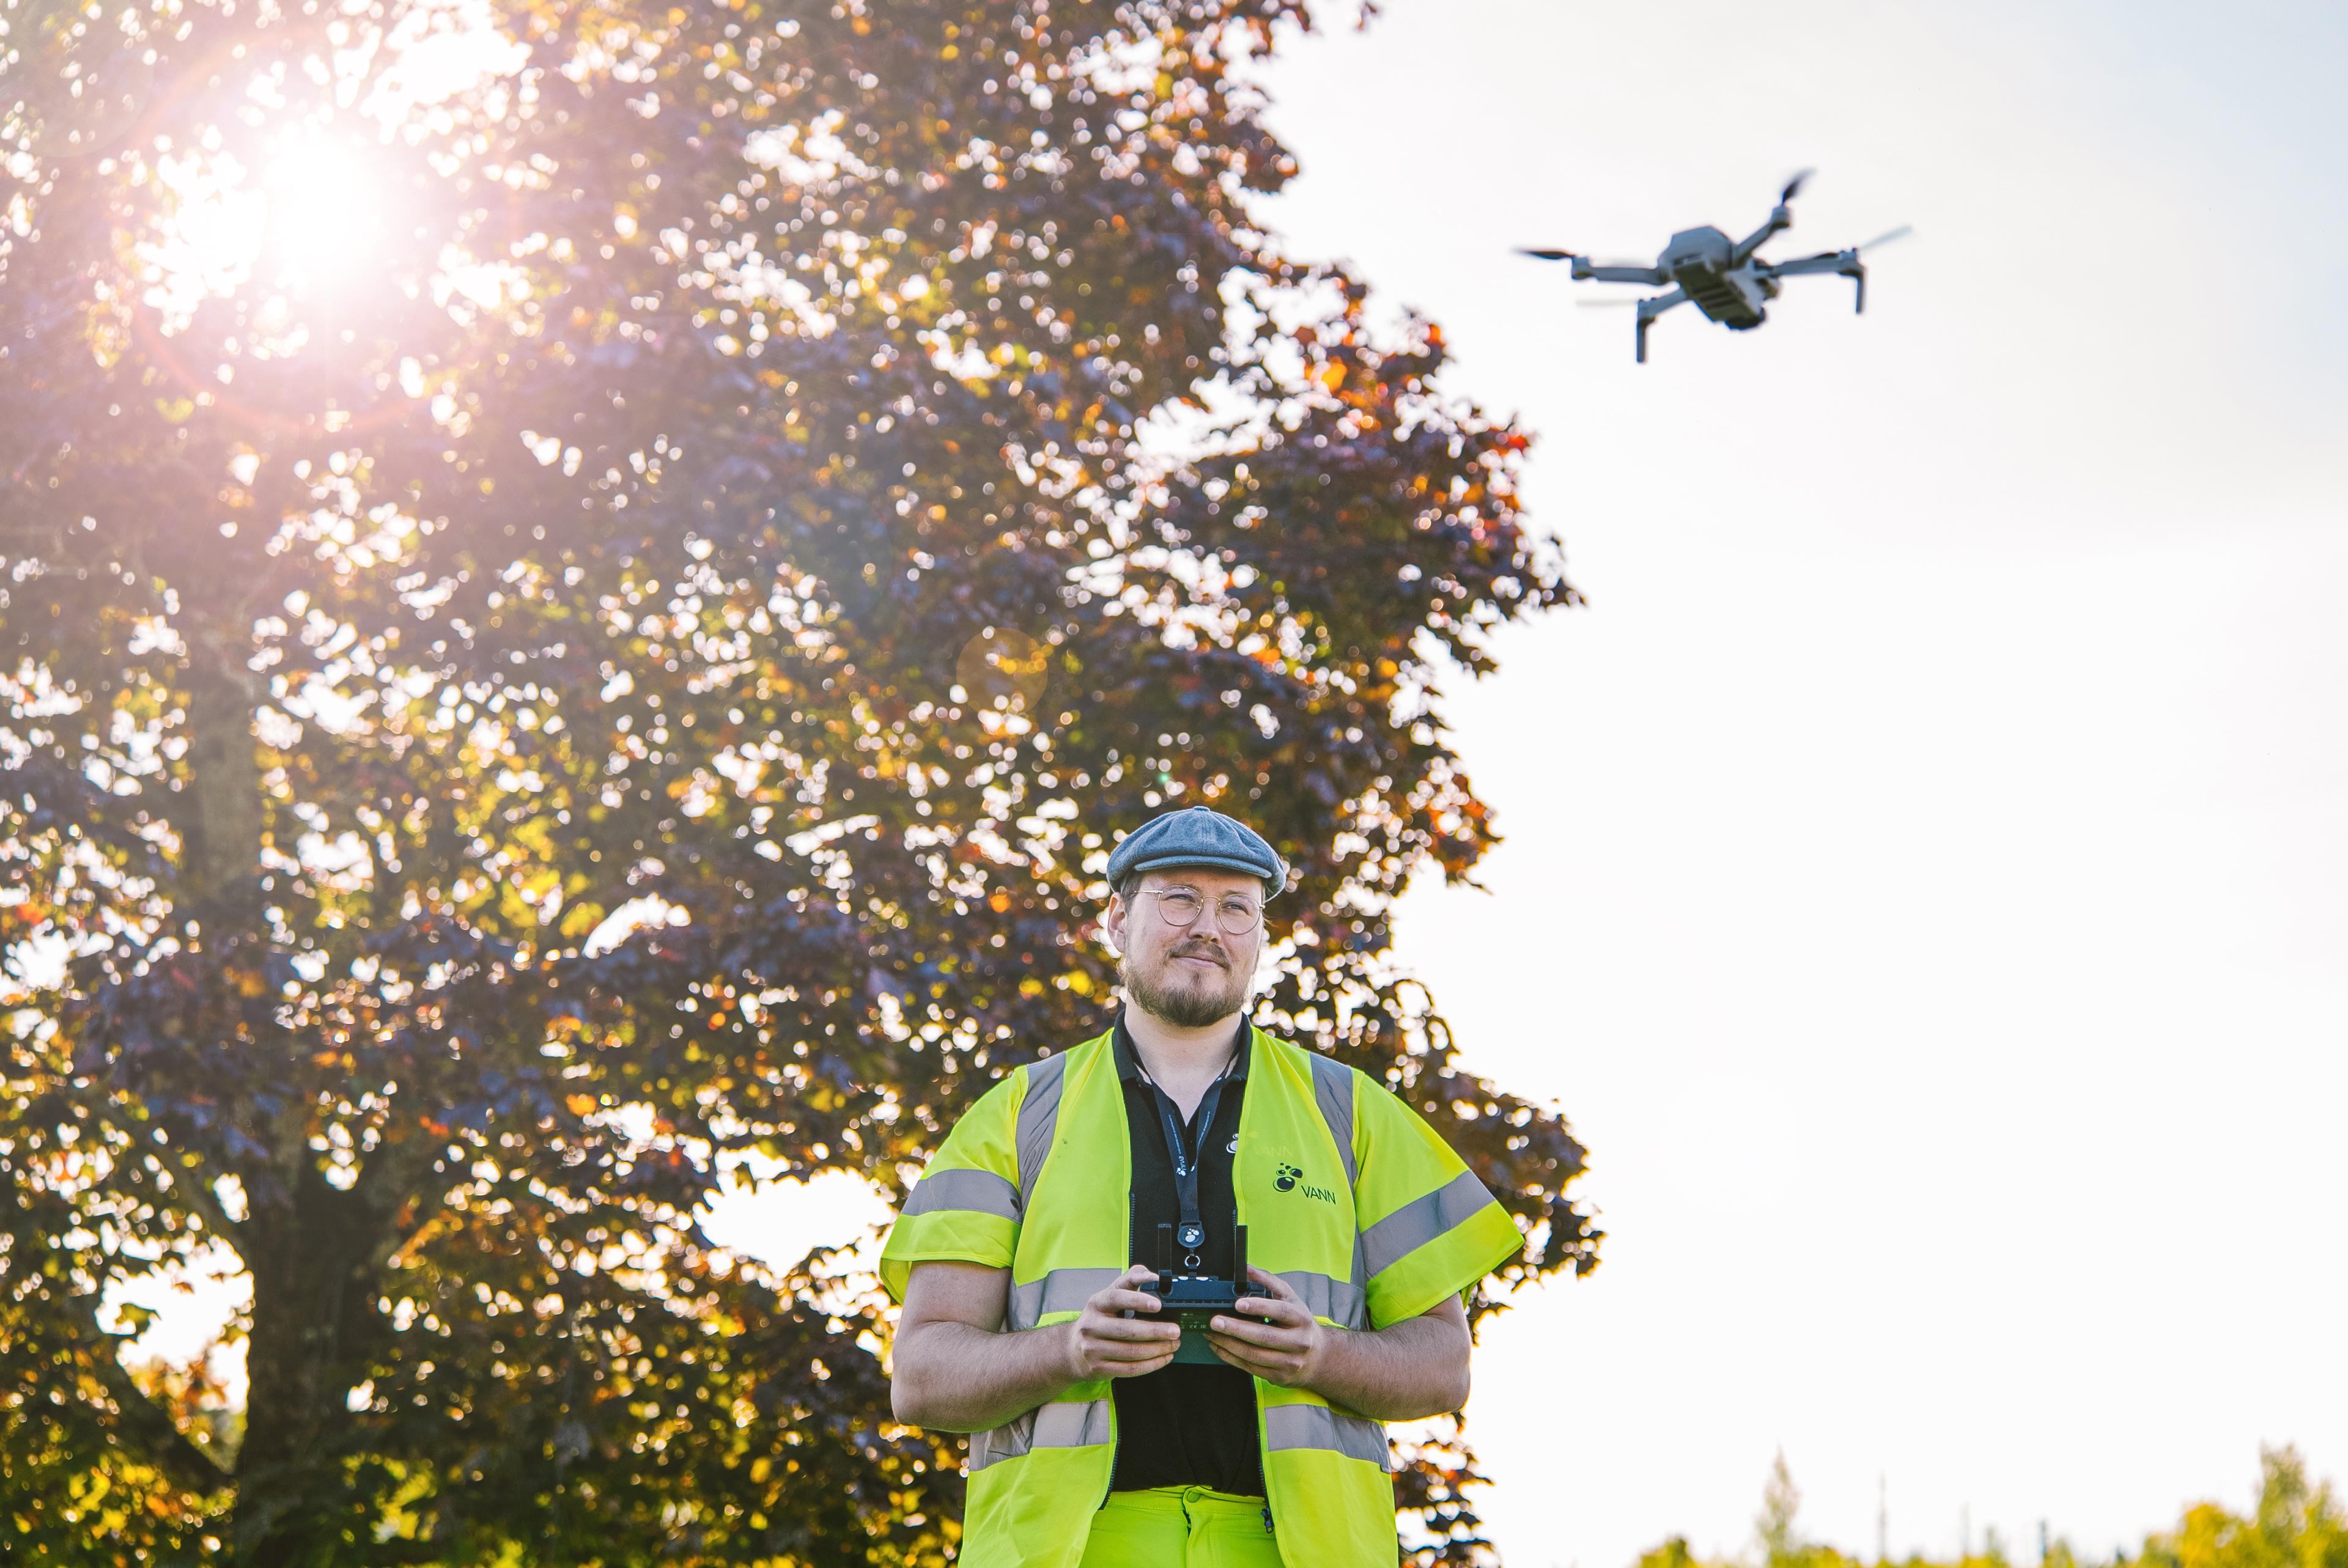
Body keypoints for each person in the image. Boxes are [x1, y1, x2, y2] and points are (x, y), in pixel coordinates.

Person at [882, 805, 1521, 1568]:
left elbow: (1444, 1368)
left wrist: (1318, 1356)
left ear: (1261, 937)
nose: (1207, 927)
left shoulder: (1354, 1116)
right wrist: (1070, 1350)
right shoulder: (1015, 1116)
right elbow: (921, 1378)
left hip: (1297, 1552)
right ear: (1118, 920)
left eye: (1236, 908)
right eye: (1179, 898)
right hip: (1070, 1551)